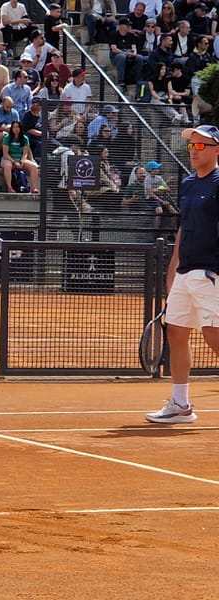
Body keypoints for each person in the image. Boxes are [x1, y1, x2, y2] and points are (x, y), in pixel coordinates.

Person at [145, 125, 219, 424]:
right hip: (186, 271)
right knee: (175, 332)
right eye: (191, 146)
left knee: (214, 336)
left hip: (211, 272)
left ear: (216, 150)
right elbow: (182, 229)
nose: (193, 151)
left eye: (200, 146)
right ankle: (180, 404)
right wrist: (173, 269)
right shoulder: (188, 184)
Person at [1, 119, 39, 193]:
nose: (16, 129)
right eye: (14, 127)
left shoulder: (25, 139)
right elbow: (5, 154)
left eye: (17, 127)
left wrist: (22, 161)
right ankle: (9, 187)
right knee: (8, 166)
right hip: (9, 159)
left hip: (20, 159)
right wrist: (14, 162)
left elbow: (25, 153)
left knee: (34, 167)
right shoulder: (7, 138)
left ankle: (34, 187)